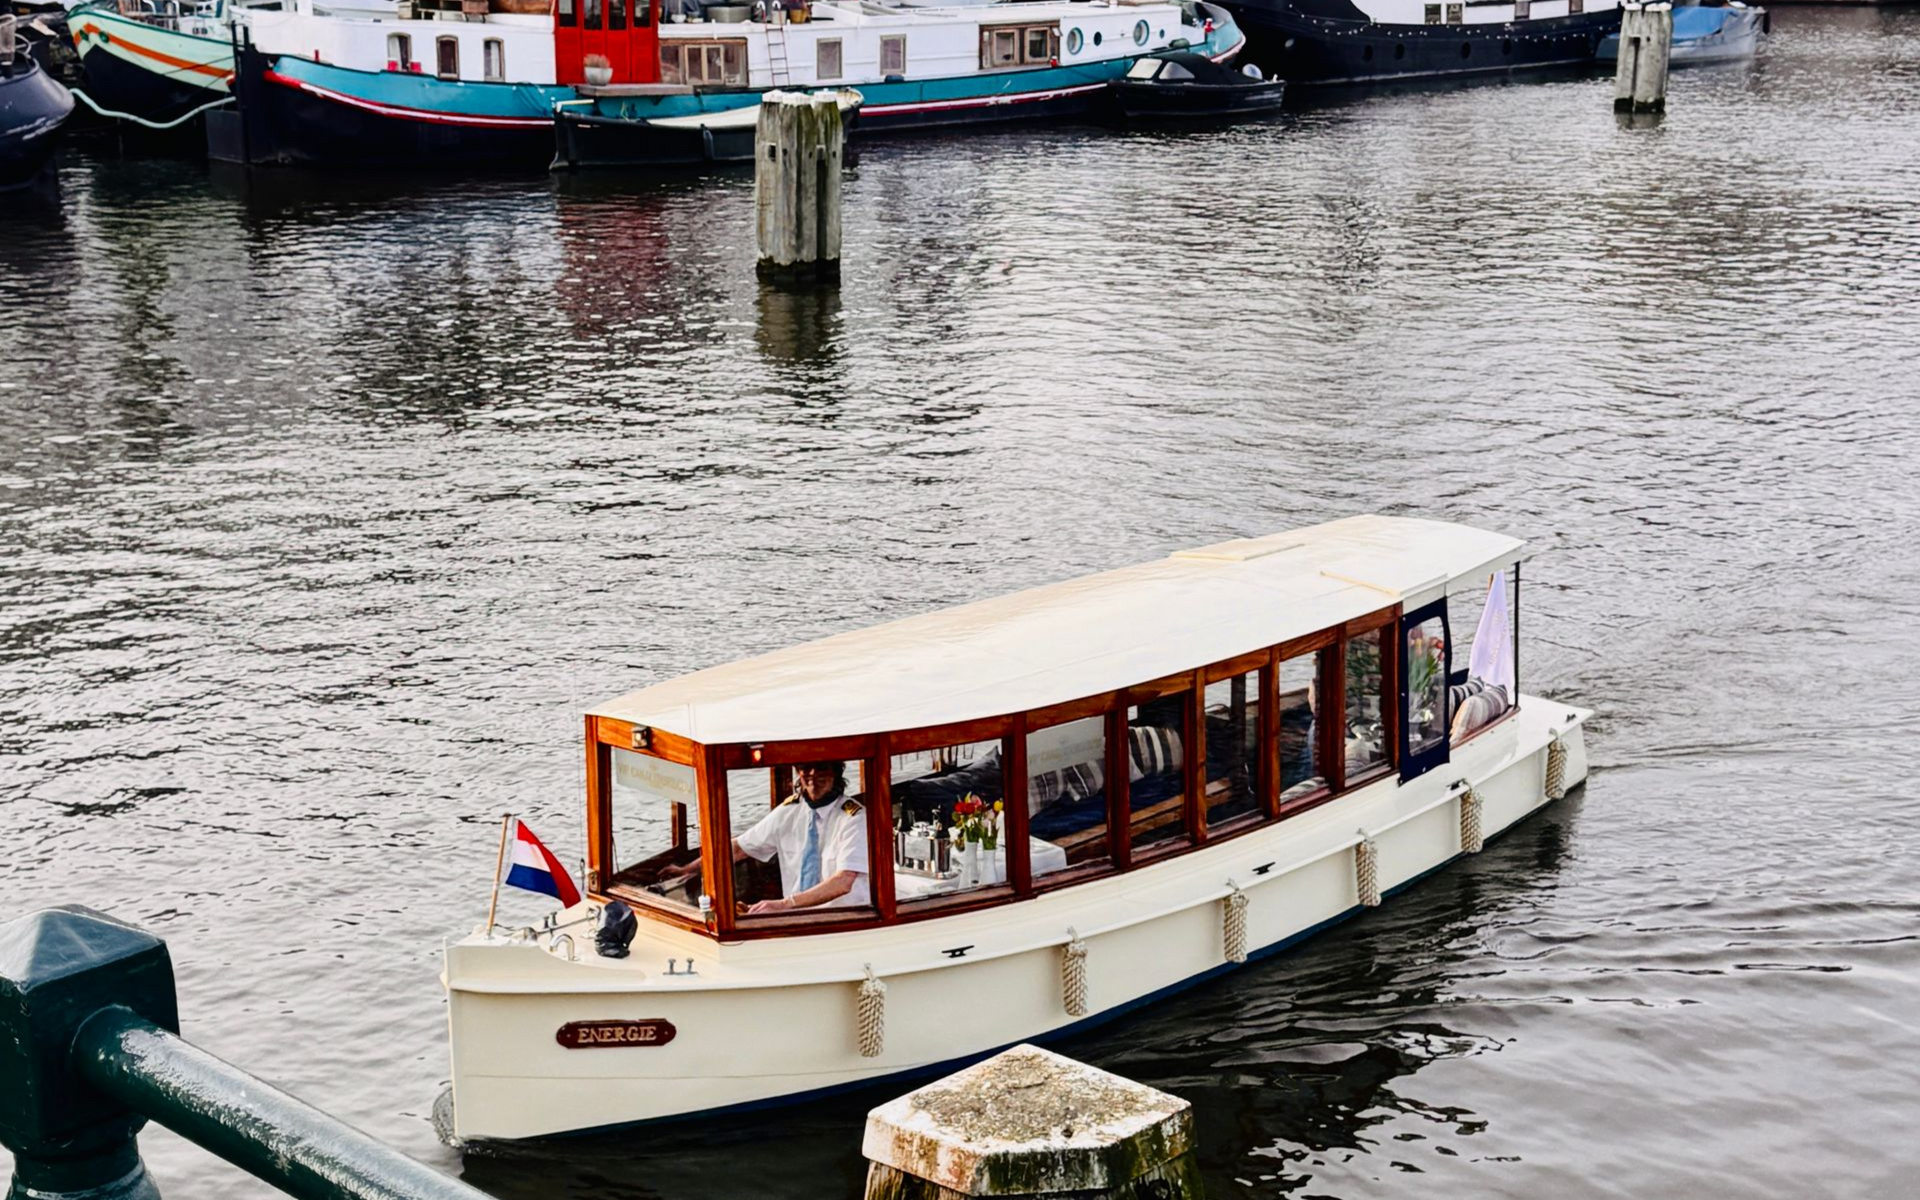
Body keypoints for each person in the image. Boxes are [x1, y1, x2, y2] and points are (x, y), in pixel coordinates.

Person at [667, 761, 869, 913]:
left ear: (836, 773)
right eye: (806, 768)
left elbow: (843, 882)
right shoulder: (790, 810)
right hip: (795, 914)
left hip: (844, 917)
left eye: (822, 768)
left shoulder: (854, 818)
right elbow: (739, 848)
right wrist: (688, 869)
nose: (813, 775)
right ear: (798, 772)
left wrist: (783, 905)